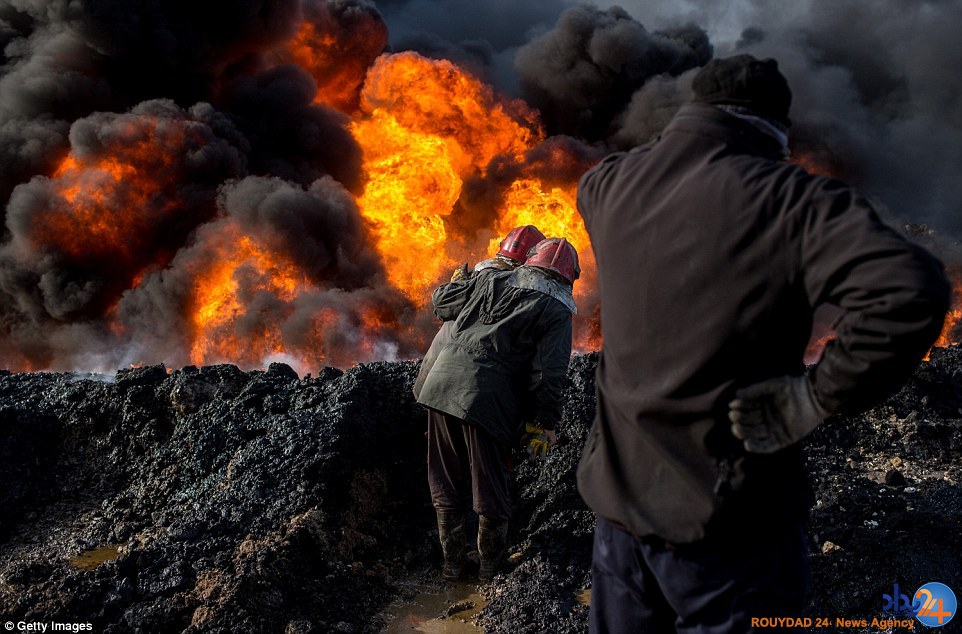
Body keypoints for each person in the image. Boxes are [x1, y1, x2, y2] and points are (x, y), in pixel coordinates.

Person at [575, 54, 950, 632]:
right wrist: (818, 396)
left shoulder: (605, 186)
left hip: (618, 518)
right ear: (775, 129)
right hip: (729, 526)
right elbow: (913, 288)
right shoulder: (792, 201)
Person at [416, 237, 580, 581]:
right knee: (490, 484)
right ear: (568, 278)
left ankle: (451, 568)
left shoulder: (492, 278)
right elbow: (549, 375)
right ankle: (489, 573)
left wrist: (459, 282)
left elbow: (443, 306)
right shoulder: (556, 311)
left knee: (445, 478)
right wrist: (545, 423)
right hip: (486, 401)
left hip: (438, 386)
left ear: (530, 263)